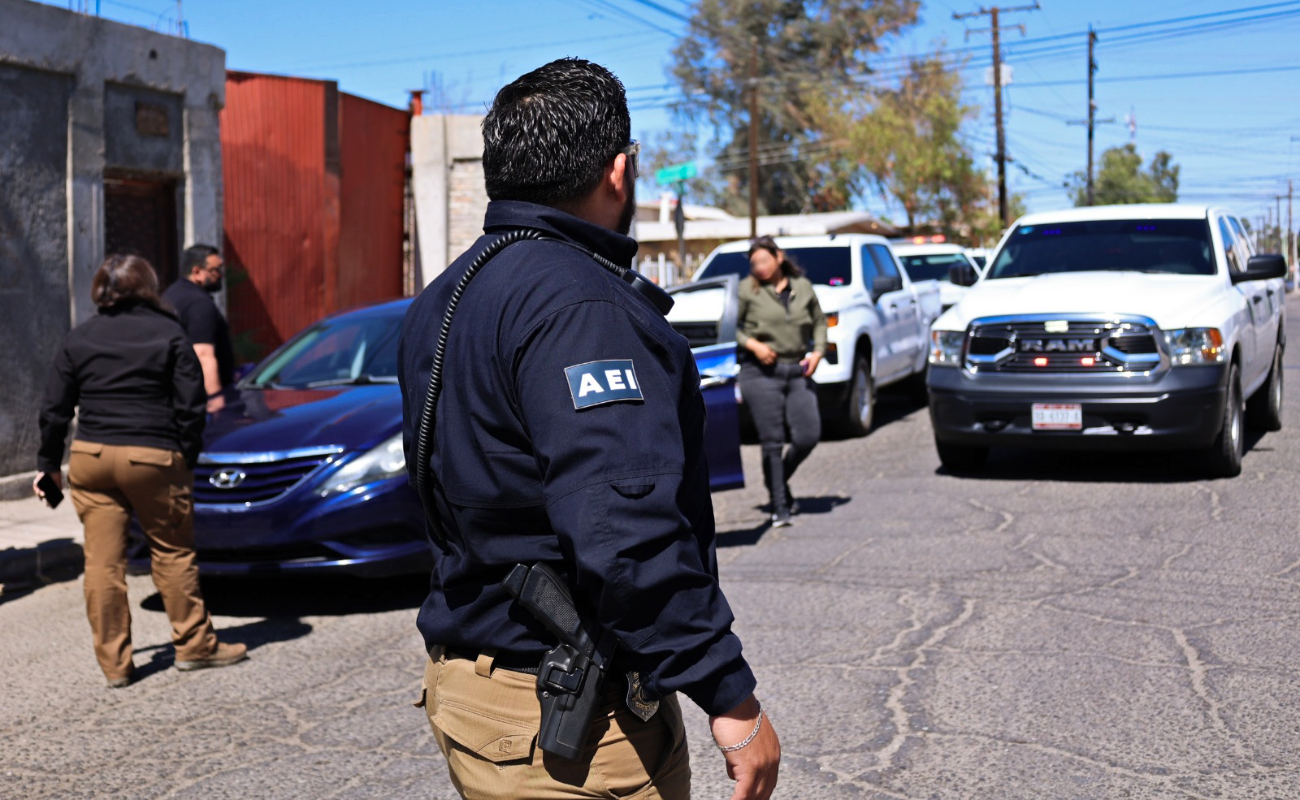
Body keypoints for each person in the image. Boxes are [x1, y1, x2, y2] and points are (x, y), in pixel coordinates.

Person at [398, 58, 780, 800]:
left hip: (480, 695)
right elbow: (622, 526)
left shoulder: (448, 293)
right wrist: (730, 696)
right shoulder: (580, 306)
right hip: (566, 718)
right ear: (617, 170)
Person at [36, 254, 247, 688]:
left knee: (102, 563)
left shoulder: (80, 336)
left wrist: (47, 466)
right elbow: (191, 405)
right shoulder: (169, 333)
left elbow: (54, 410)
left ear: (101, 290)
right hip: (152, 455)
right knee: (171, 551)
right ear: (148, 287)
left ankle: (115, 666)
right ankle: (194, 646)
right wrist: (185, 456)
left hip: (91, 457)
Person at [736, 235, 828, 527]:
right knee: (772, 441)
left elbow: (819, 322)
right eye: (754, 263)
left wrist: (818, 351)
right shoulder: (746, 290)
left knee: (807, 435)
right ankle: (779, 504)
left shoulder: (802, 286)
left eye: (764, 260)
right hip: (760, 373)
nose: (759, 267)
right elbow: (731, 328)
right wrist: (755, 346)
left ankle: (777, 476)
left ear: (778, 257)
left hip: (797, 370)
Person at [162, 244, 235, 407]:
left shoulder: (171, 294)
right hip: (197, 400)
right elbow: (203, 354)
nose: (220, 275)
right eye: (216, 270)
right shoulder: (199, 303)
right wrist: (216, 399)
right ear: (197, 272)